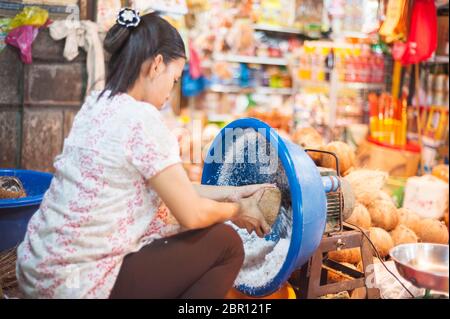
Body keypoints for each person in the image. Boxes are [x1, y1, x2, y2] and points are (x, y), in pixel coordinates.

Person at [16, 9, 271, 299]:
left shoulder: (98, 104)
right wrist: (239, 211)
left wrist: (236, 193)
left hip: (38, 270)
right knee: (226, 243)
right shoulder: (141, 120)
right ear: (157, 65)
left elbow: (177, 191)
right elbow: (192, 213)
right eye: (173, 80)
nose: (169, 94)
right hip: (76, 285)